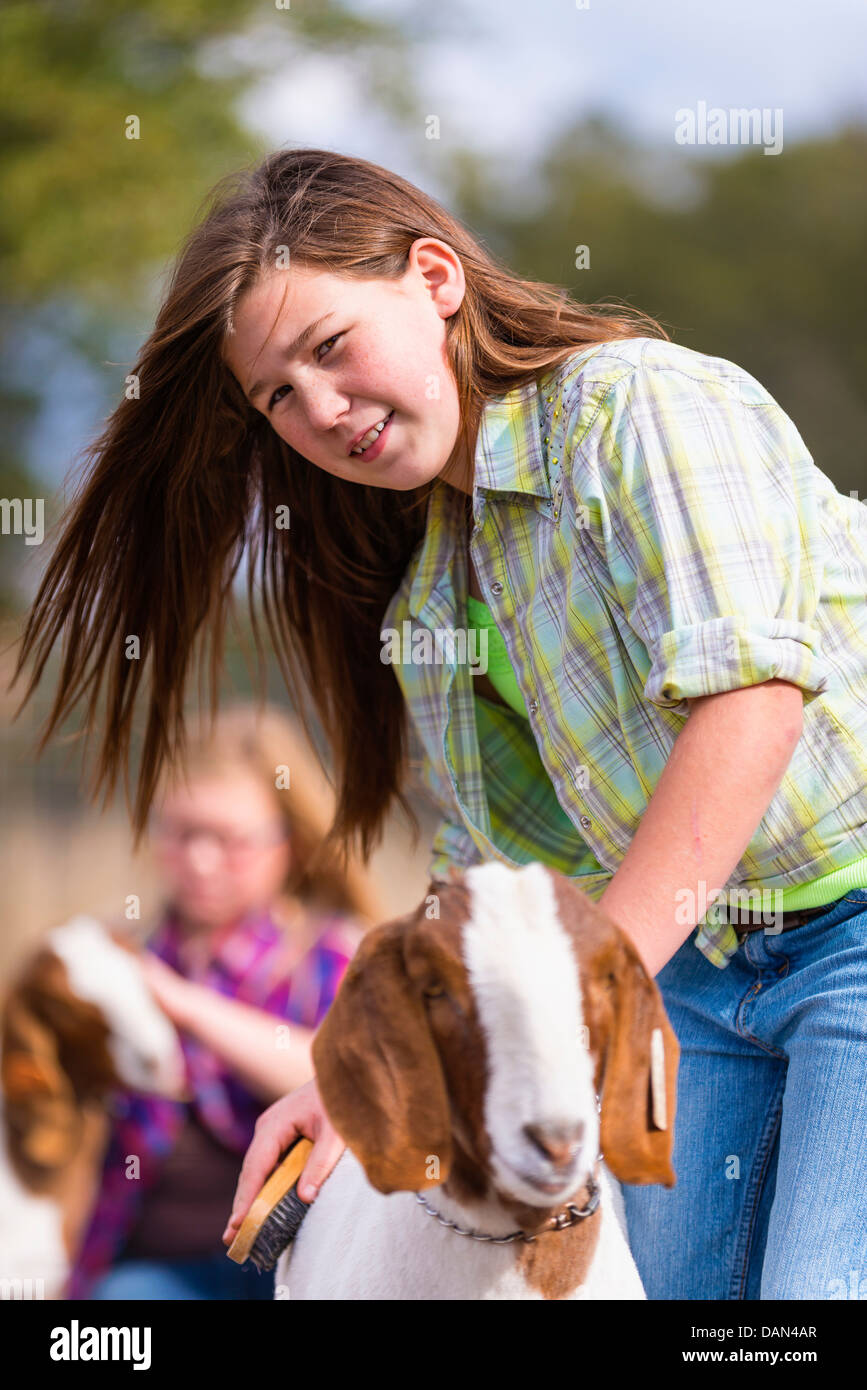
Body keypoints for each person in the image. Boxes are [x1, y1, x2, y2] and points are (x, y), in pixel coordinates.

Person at [10, 148, 867, 1300]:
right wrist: (354, 1072)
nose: (319, 409)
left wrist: (588, 985)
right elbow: (497, 871)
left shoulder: (638, 407)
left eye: (329, 347)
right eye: (277, 394)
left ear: (435, 277)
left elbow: (750, 701)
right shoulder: (434, 585)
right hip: (703, 974)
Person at [63, 702, 379, 1299]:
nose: (201, 861)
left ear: (292, 840)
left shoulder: (333, 958)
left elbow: (340, 1079)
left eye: (230, 840)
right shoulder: (121, 952)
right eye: (182, 834)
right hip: (150, 1263)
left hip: (290, 1264)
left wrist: (180, 1004)